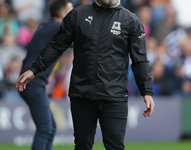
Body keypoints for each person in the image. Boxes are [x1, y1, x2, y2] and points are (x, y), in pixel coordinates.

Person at [16, 0, 155, 150]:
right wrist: (34, 69)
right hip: (82, 94)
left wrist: (146, 91)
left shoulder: (131, 21)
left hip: (114, 97)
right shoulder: (78, 14)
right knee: (82, 147)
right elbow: (56, 45)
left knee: (115, 147)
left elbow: (140, 60)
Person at [17, 0, 73, 150]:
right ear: (63, 14)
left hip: (33, 83)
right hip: (33, 83)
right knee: (45, 129)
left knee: (50, 128)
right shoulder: (56, 27)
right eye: (71, 10)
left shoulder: (46, 25)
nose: (74, 14)